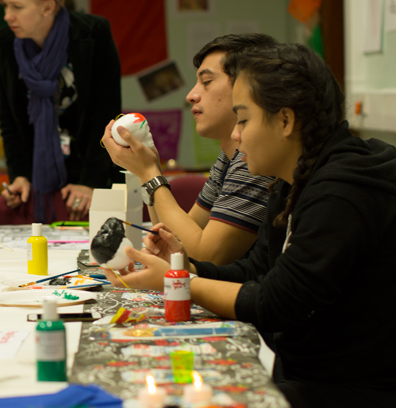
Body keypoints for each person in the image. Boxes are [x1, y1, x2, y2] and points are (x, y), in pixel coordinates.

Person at [107, 44, 396, 408]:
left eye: (243, 119)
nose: (236, 135)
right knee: (167, 396)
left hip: (364, 399)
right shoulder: (293, 181)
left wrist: (180, 282)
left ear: (286, 120)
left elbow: (276, 303)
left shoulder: (341, 194)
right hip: (307, 375)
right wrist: (185, 265)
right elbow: (255, 270)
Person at [103, 34, 278, 265]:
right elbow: (174, 240)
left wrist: (150, 174)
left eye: (206, 82)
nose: (191, 96)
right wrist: (148, 170)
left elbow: (205, 256)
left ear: (247, 88)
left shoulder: (254, 160)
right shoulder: (228, 158)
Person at [0, 0, 122, 224]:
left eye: (17, 7)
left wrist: (90, 182)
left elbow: (106, 116)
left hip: (90, 176)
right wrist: (19, 175)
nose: (7, 16)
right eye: (5, 6)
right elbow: (9, 119)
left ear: (48, 7)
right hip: (37, 176)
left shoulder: (93, 35)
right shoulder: (5, 43)